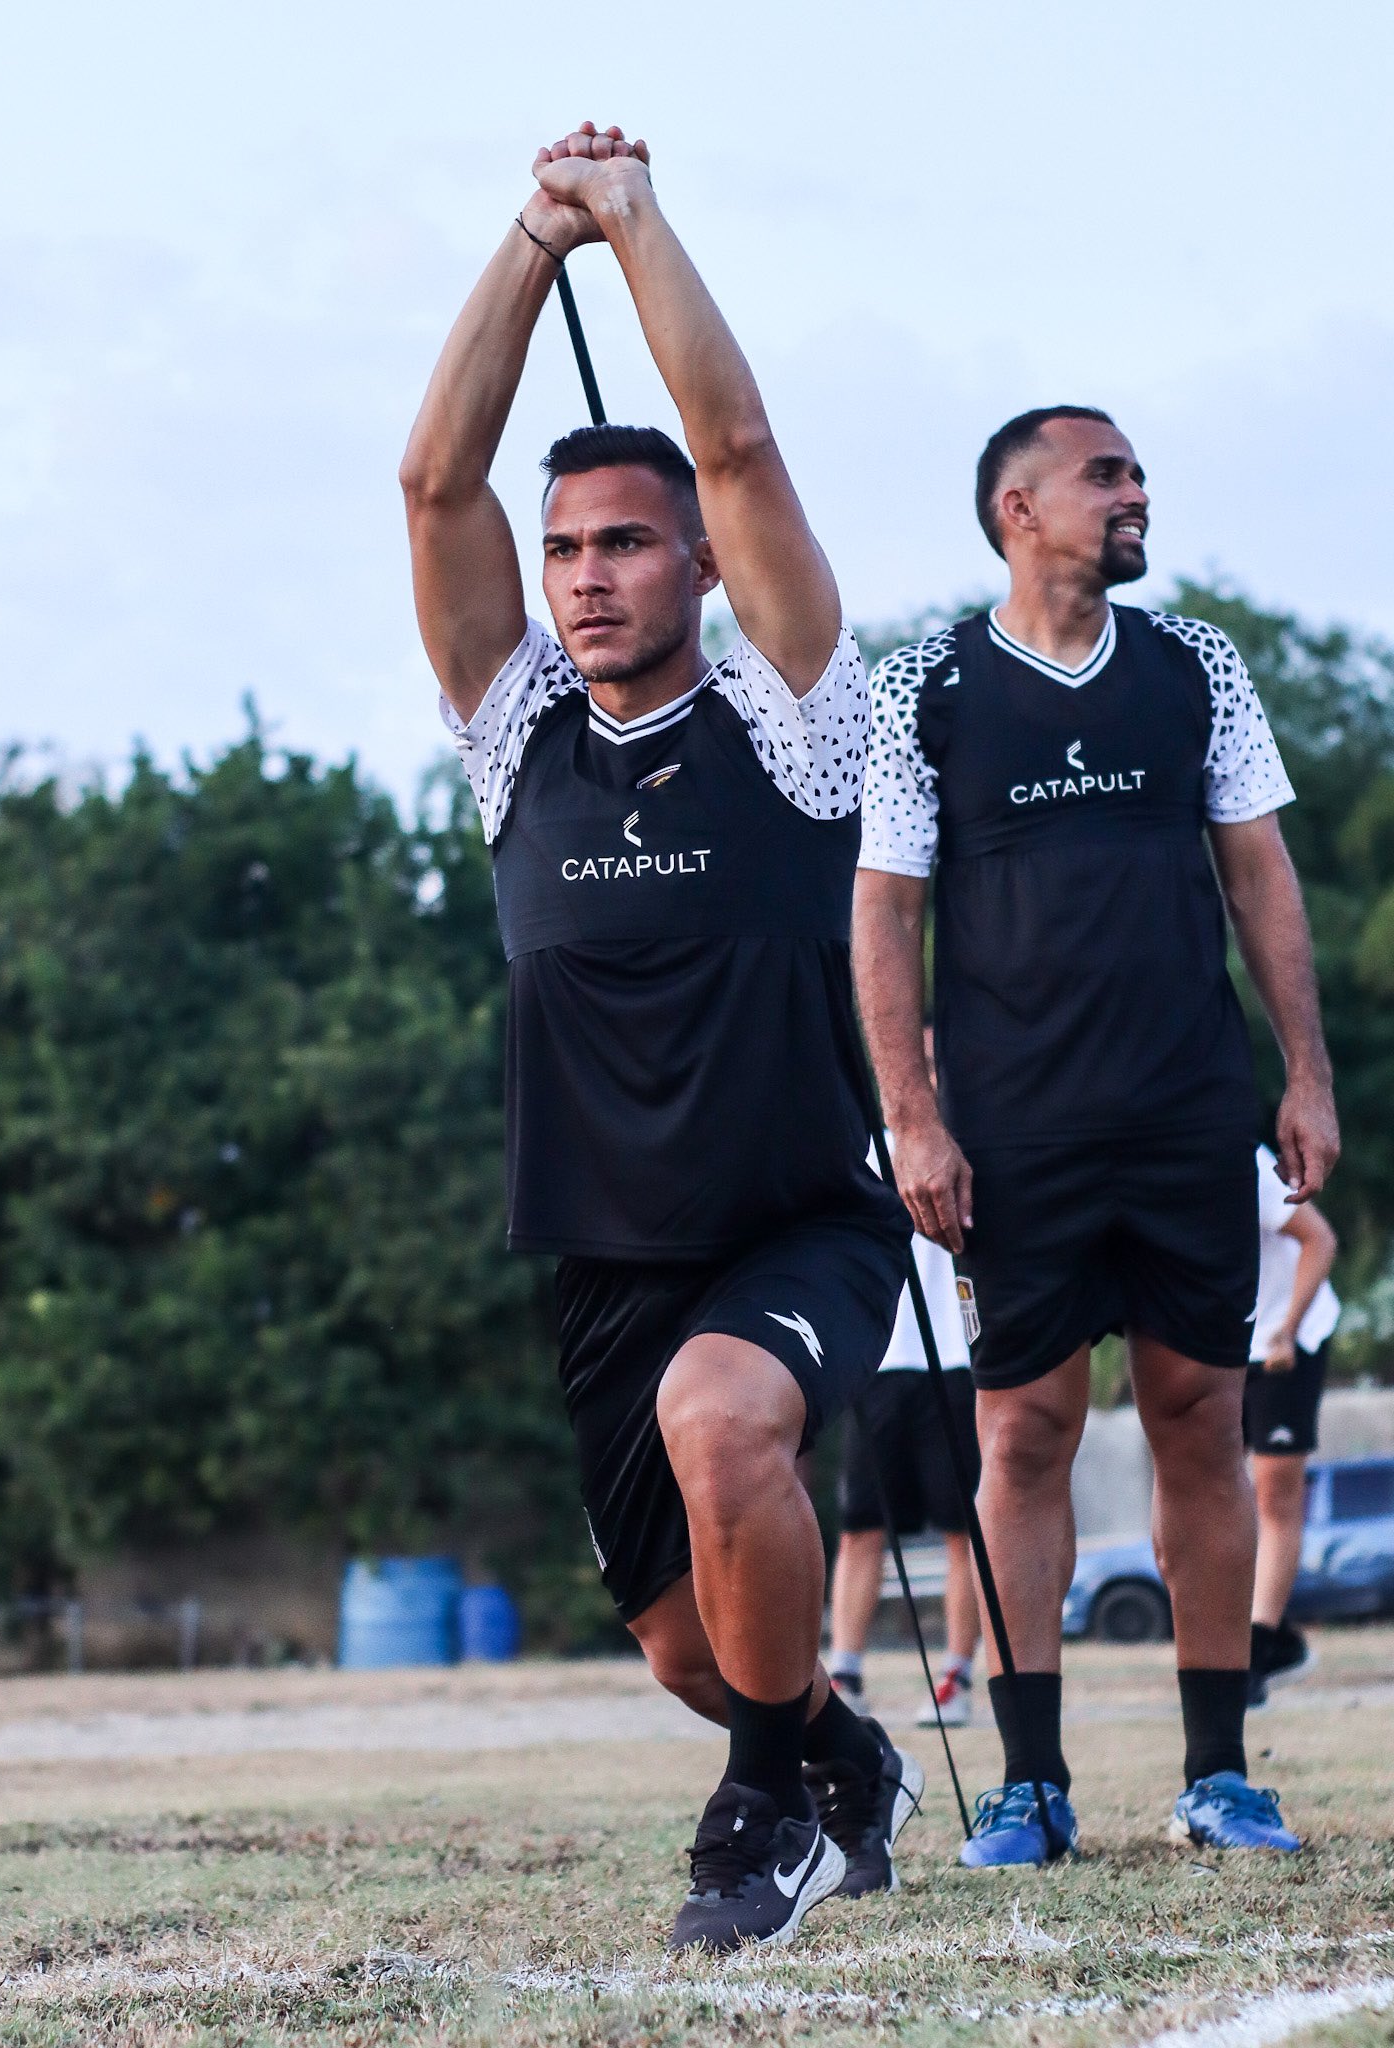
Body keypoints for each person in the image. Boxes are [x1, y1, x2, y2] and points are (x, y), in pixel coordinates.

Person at [400, 123, 920, 1952]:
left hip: (792, 1218)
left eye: (625, 540)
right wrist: (525, 240)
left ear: (698, 562)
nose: (585, 573)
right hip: (598, 1249)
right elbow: (429, 476)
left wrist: (633, 226)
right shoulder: (512, 734)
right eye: (564, 549)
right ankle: (823, 1752)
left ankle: (763, 1818)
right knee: (696, 1653)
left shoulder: (794, 723)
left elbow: (742, 447)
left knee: (725, 1418)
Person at [854, 405, 1340, 1866]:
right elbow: (882, 910)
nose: (1135, 494)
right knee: (1022, 1433)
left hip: (1187, 1111)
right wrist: (910, 1119)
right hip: (1012, 1134)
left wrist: (1302, 1075)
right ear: (1017, 508)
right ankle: (1028, 1786)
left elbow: (1258, 875)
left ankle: (1215, 1772)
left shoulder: (1195, 666)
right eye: (1105, 475)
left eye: (1132, 473)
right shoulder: (922, 685)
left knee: (1198, 1420)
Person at [829, 1120, 982, 1727]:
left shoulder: (977, 1133)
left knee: (962, 1530)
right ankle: (844, 1672)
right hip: (882, 1359)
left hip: (956, 1358)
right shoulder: (866, 1147)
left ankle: (955, 1676)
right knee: (860, 1525)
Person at [1246, 1141, 1339, 1706]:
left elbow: (1320, 1239)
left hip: (1286, 1340)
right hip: (1222, 1343)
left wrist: (1286, 1330)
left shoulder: (1244, 1163)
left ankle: (1256, 1653)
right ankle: (1266, 1640)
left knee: (1274, 1497)